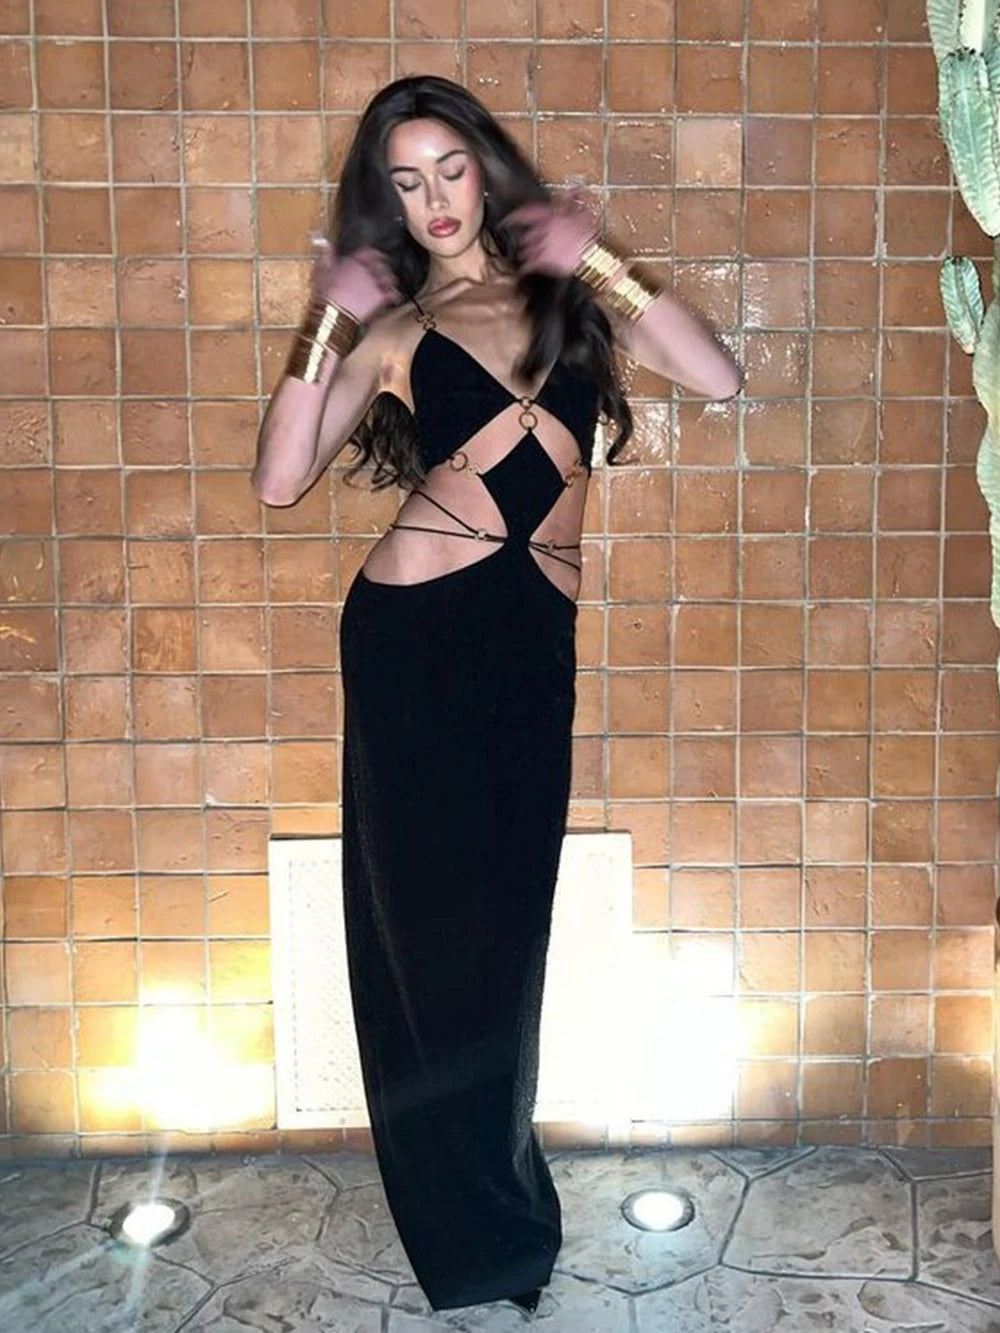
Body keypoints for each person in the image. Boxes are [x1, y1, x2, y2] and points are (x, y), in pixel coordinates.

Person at [251, 75, 740, 1316]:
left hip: (529, 638)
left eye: (451, 169)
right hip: (413, 639)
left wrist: (602, 259)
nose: (434, 200)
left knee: (505, 931)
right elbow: (279, 478)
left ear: (486, 168)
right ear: (386, 199)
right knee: (425, 937)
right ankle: (472, 1237)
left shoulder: (571, 302)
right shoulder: (395, 331)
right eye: (405, 180)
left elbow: (716, 376)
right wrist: (326, 315)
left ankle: (502, 1206)